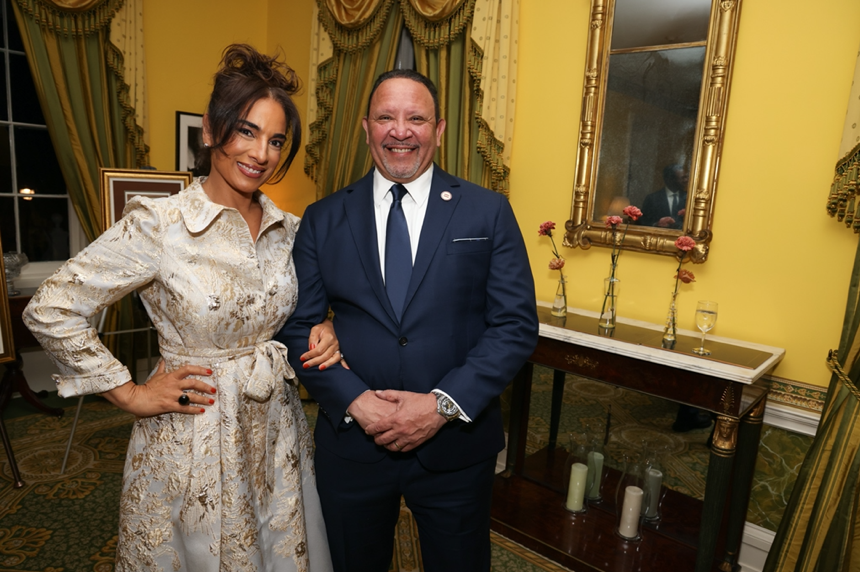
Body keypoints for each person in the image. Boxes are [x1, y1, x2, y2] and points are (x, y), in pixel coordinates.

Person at [23, 45, 336, 571]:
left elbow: (301, 307)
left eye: (276, 139)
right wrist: (129, 393)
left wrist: (328, 324)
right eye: (246, 131)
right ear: (211, 131)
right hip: (196, 435)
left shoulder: (290, 230)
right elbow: (51, 307)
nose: (261, 153)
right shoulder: (160, 225)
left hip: (276, 431)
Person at [276, 69, 539, 572]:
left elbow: (515, 325)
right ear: (365, 127)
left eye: (416, 118)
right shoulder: (323, 218)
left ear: (438, 130)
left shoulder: (488, 213)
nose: (401, 131)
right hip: (353, 442)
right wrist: (357, 401)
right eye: (386, 118)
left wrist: (440, 406)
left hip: (457, 448)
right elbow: (296, 326)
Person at [640, 164, 689, 228]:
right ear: (670, 180)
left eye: (686, 177)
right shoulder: (652, 199)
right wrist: (656, 224)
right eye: (682, 178)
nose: (686, 180)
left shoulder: (689, 198)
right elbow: (642, 221)